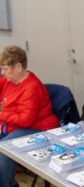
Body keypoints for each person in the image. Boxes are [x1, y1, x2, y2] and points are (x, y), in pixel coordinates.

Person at [0, 45, 59, 187]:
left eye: (5, 69)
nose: (3, 73)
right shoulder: (9, 80)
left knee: (3, 151)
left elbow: (25, 120)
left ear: (18, 67)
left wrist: (1, 114)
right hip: (15, 124)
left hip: (36, 128)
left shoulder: (31, 87)